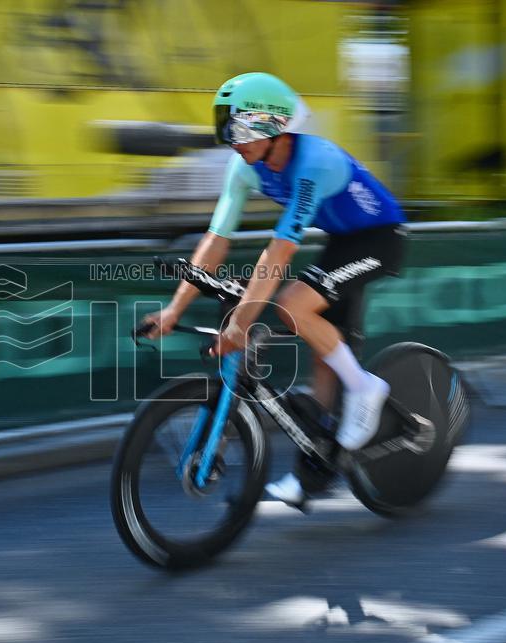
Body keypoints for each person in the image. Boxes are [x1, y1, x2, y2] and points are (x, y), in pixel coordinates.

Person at [142, 72, 406, 508]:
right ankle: (315, 472)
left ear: (274, 125)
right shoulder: (246, 167)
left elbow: (278, 255)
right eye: (226, 128)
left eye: (240, 128)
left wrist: (242, 324)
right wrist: (173, 310)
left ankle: (366, 387)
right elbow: (215, 241)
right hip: (342, 242)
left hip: (380, 238)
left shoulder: (312, 163)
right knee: (322, 354)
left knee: (292, 306)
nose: (232, 140)